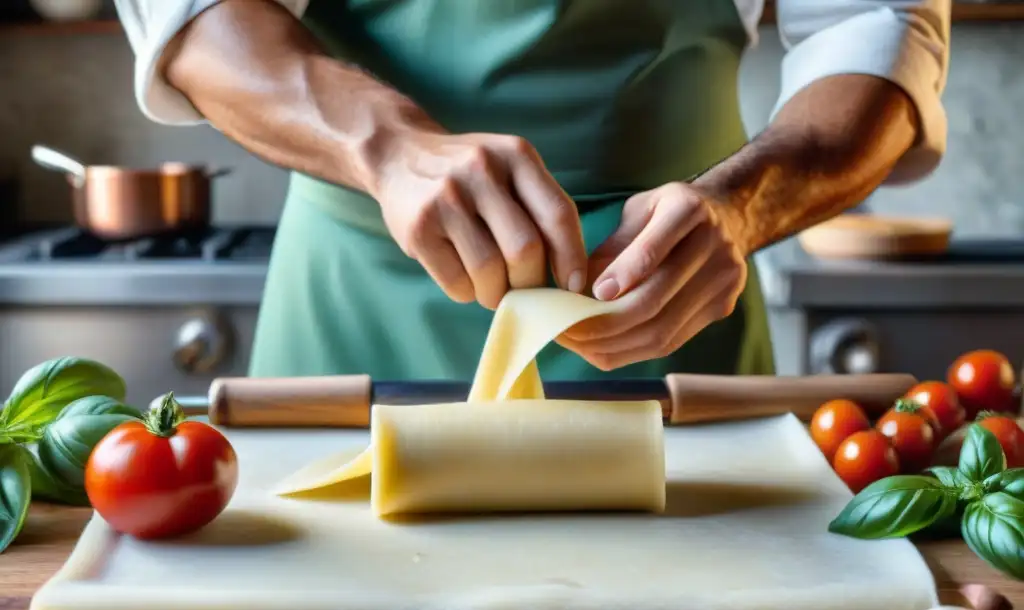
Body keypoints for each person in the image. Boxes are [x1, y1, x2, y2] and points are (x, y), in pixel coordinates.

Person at [113, 0, 950, 382]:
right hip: (357, 307)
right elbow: (191, 13)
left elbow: (874, 25)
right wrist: (386, 147)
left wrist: (741, 206)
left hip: (677, 299)